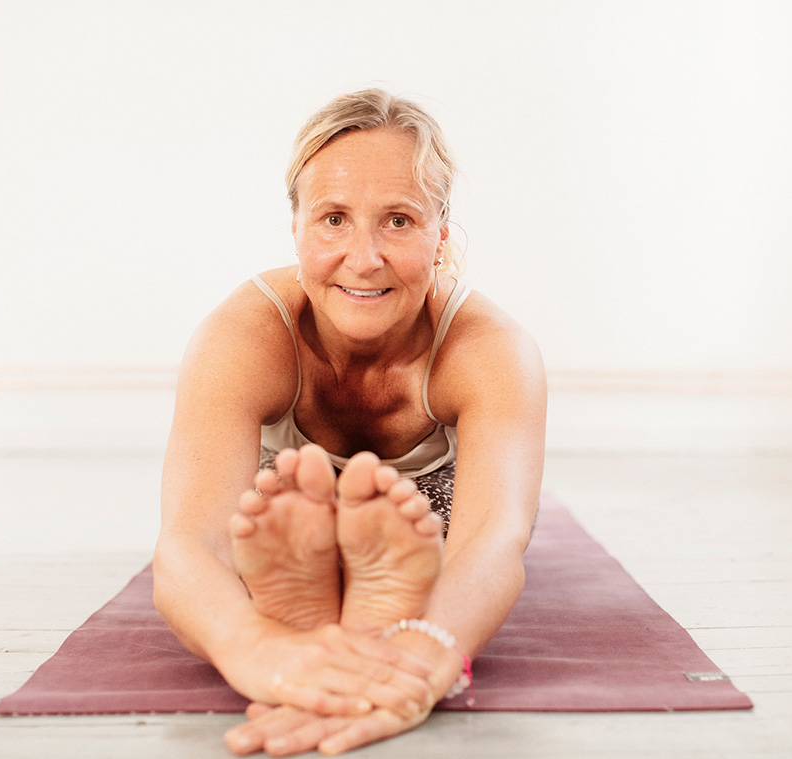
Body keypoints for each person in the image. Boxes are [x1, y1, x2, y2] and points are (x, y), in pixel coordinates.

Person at [153, 88, 546, 757]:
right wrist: (252, 644)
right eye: (334, 219)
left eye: (397, 220)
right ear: (298, 228)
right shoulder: (242, 336)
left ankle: (377, 587)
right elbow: (189, 542)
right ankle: (325, 580)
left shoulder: (491, 349)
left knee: (441, 539)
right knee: (272, 514)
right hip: (287, 517)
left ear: (440, 233)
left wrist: (427, 651)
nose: (363, 258)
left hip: (427, 529)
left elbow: (491, 538)